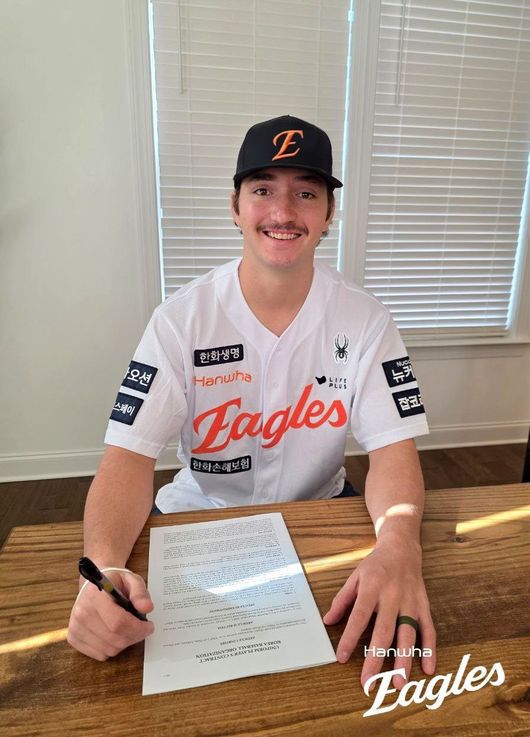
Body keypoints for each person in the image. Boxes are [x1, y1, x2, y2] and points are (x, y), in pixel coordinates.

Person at [68, 115, 437, 690]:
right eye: (263, 189)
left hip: (321, 509)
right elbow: (129, 457)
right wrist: (103, 571)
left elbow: (393, 452)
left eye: (306, 194)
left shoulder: (367, 320)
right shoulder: (179, 320)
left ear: (329, 214)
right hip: (200, 511)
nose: (283, 212)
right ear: (235, 207)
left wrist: (399, 543)